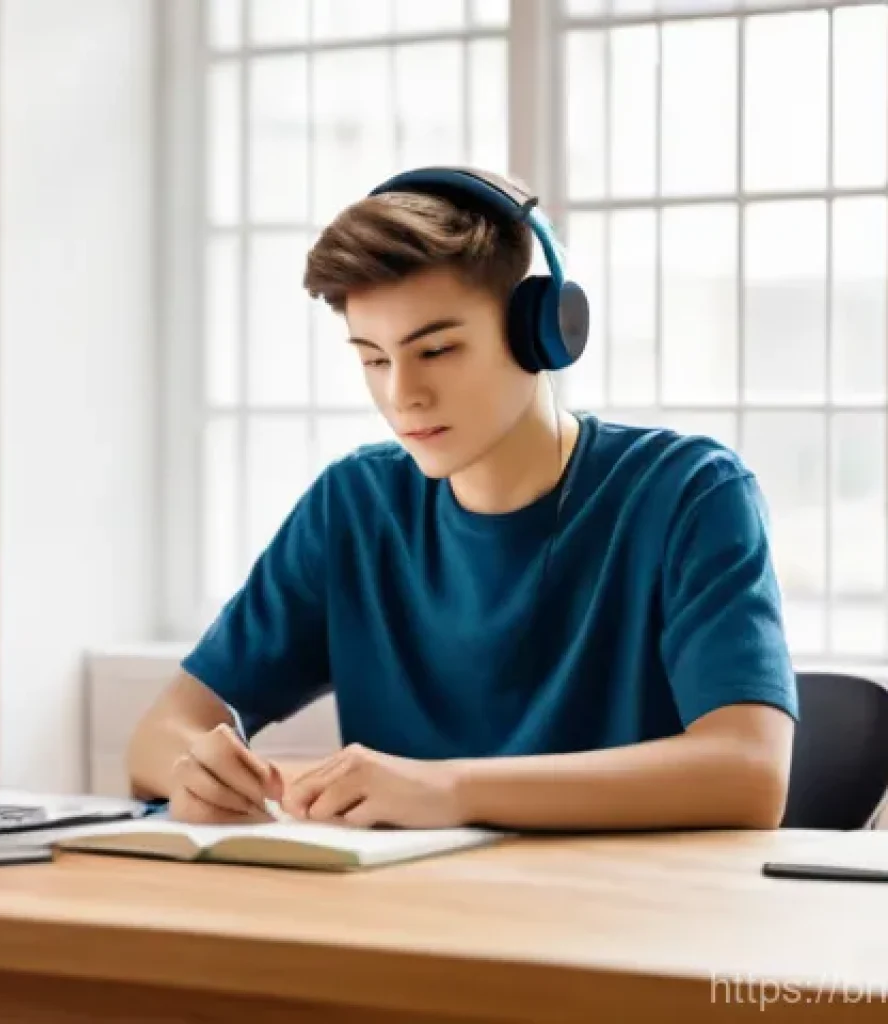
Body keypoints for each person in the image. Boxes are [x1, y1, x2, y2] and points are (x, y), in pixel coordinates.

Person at [127, 166, 798, 832]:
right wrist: (201, 769)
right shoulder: (355, 505)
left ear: (542, 332)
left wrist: (452, 789)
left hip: (624, 920)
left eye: (438, 349)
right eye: (374, 359)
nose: (402, 395)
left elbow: (748, 772)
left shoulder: (688, 494)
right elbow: (161, 732)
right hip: (408, 918)